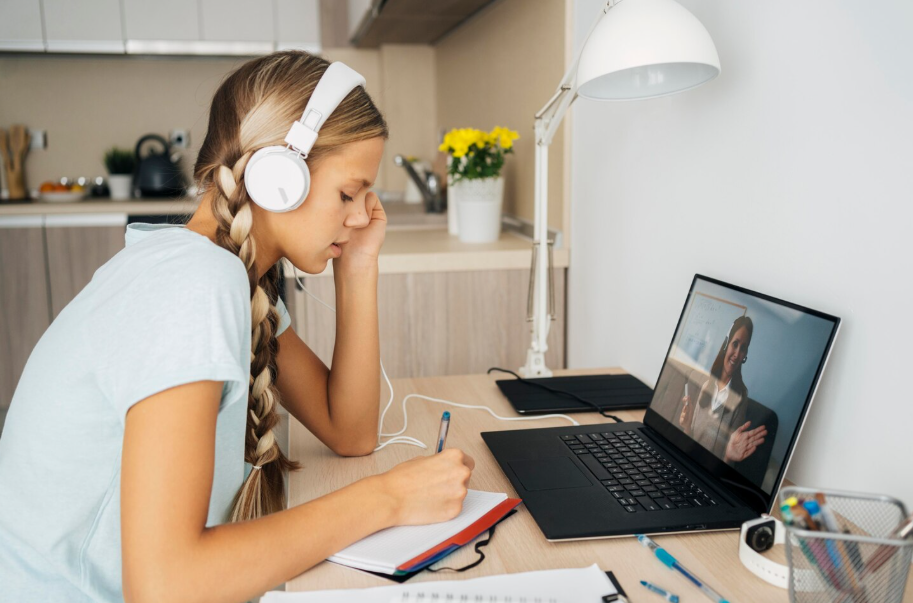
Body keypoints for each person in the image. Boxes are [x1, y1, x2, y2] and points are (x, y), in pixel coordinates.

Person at [0, 52, 474, 603]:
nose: (361, 214)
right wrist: (387, 499)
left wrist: (359, 263)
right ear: (278, 176)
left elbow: (349, 430)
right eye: (348, 193)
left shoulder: (231, 274)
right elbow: (164, 589)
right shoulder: (192, 283)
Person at [679, 316, 768, 464]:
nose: (737, 353)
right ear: (726, 344)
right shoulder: (707, 385)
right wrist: (687, 427)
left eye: (743, 348)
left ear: (745, 355)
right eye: (735, 344)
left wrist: (728, 457)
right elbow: (689, 443)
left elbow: (727, 462)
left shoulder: (740, 398)